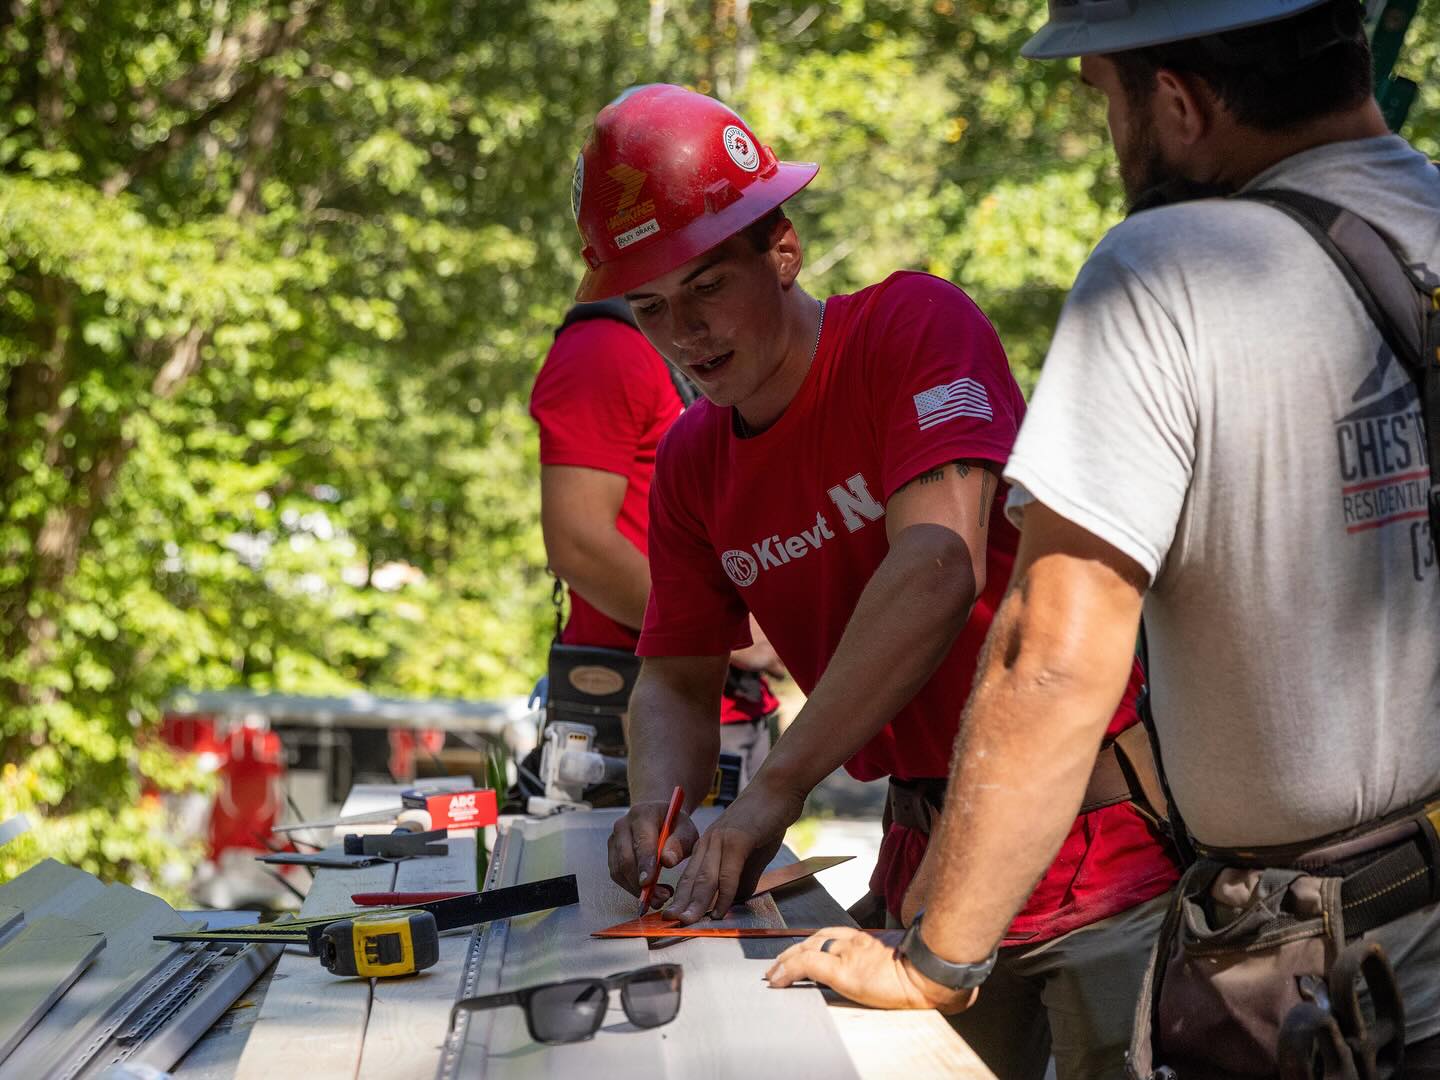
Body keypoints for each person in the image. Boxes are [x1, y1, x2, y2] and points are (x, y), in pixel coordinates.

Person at [767, 1, 1440, 1072]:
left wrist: (932, 962)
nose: (1110, 131)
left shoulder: (1169, 271)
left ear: (1175, 99)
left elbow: (1052, 660)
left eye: (1102, 96)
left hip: (1306, 976)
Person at [574, 83, 1180, 1078]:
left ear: (783, 251)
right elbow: (676, 680)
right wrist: (665, 814)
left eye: (708, 287)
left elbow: (937, 566)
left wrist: (773, 790)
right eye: (651, 308)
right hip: (925, 863)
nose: (685, 333)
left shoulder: (911, 327)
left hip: (1095, 856)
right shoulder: (693, 461)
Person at [530, 300, 781, 784]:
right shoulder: (602, 348)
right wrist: (735, 633)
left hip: (732, 707)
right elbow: (577, 542)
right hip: (642, 716)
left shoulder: (700, 353)